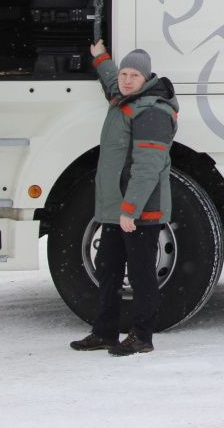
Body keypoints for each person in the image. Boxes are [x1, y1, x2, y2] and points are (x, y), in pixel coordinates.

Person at [70, 41, 178, 356]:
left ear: (146, 80)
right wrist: (100, 58)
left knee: (142, 274)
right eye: (124, 73)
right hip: (117, 209)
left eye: (134, 75)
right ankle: (104, 332)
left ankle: (142, 336)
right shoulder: (125, 98)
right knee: (109, 270)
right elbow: (111, 81)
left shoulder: (153, 111)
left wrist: (130, 210)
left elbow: (147, 168)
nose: (126, 79)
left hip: (139, 210)